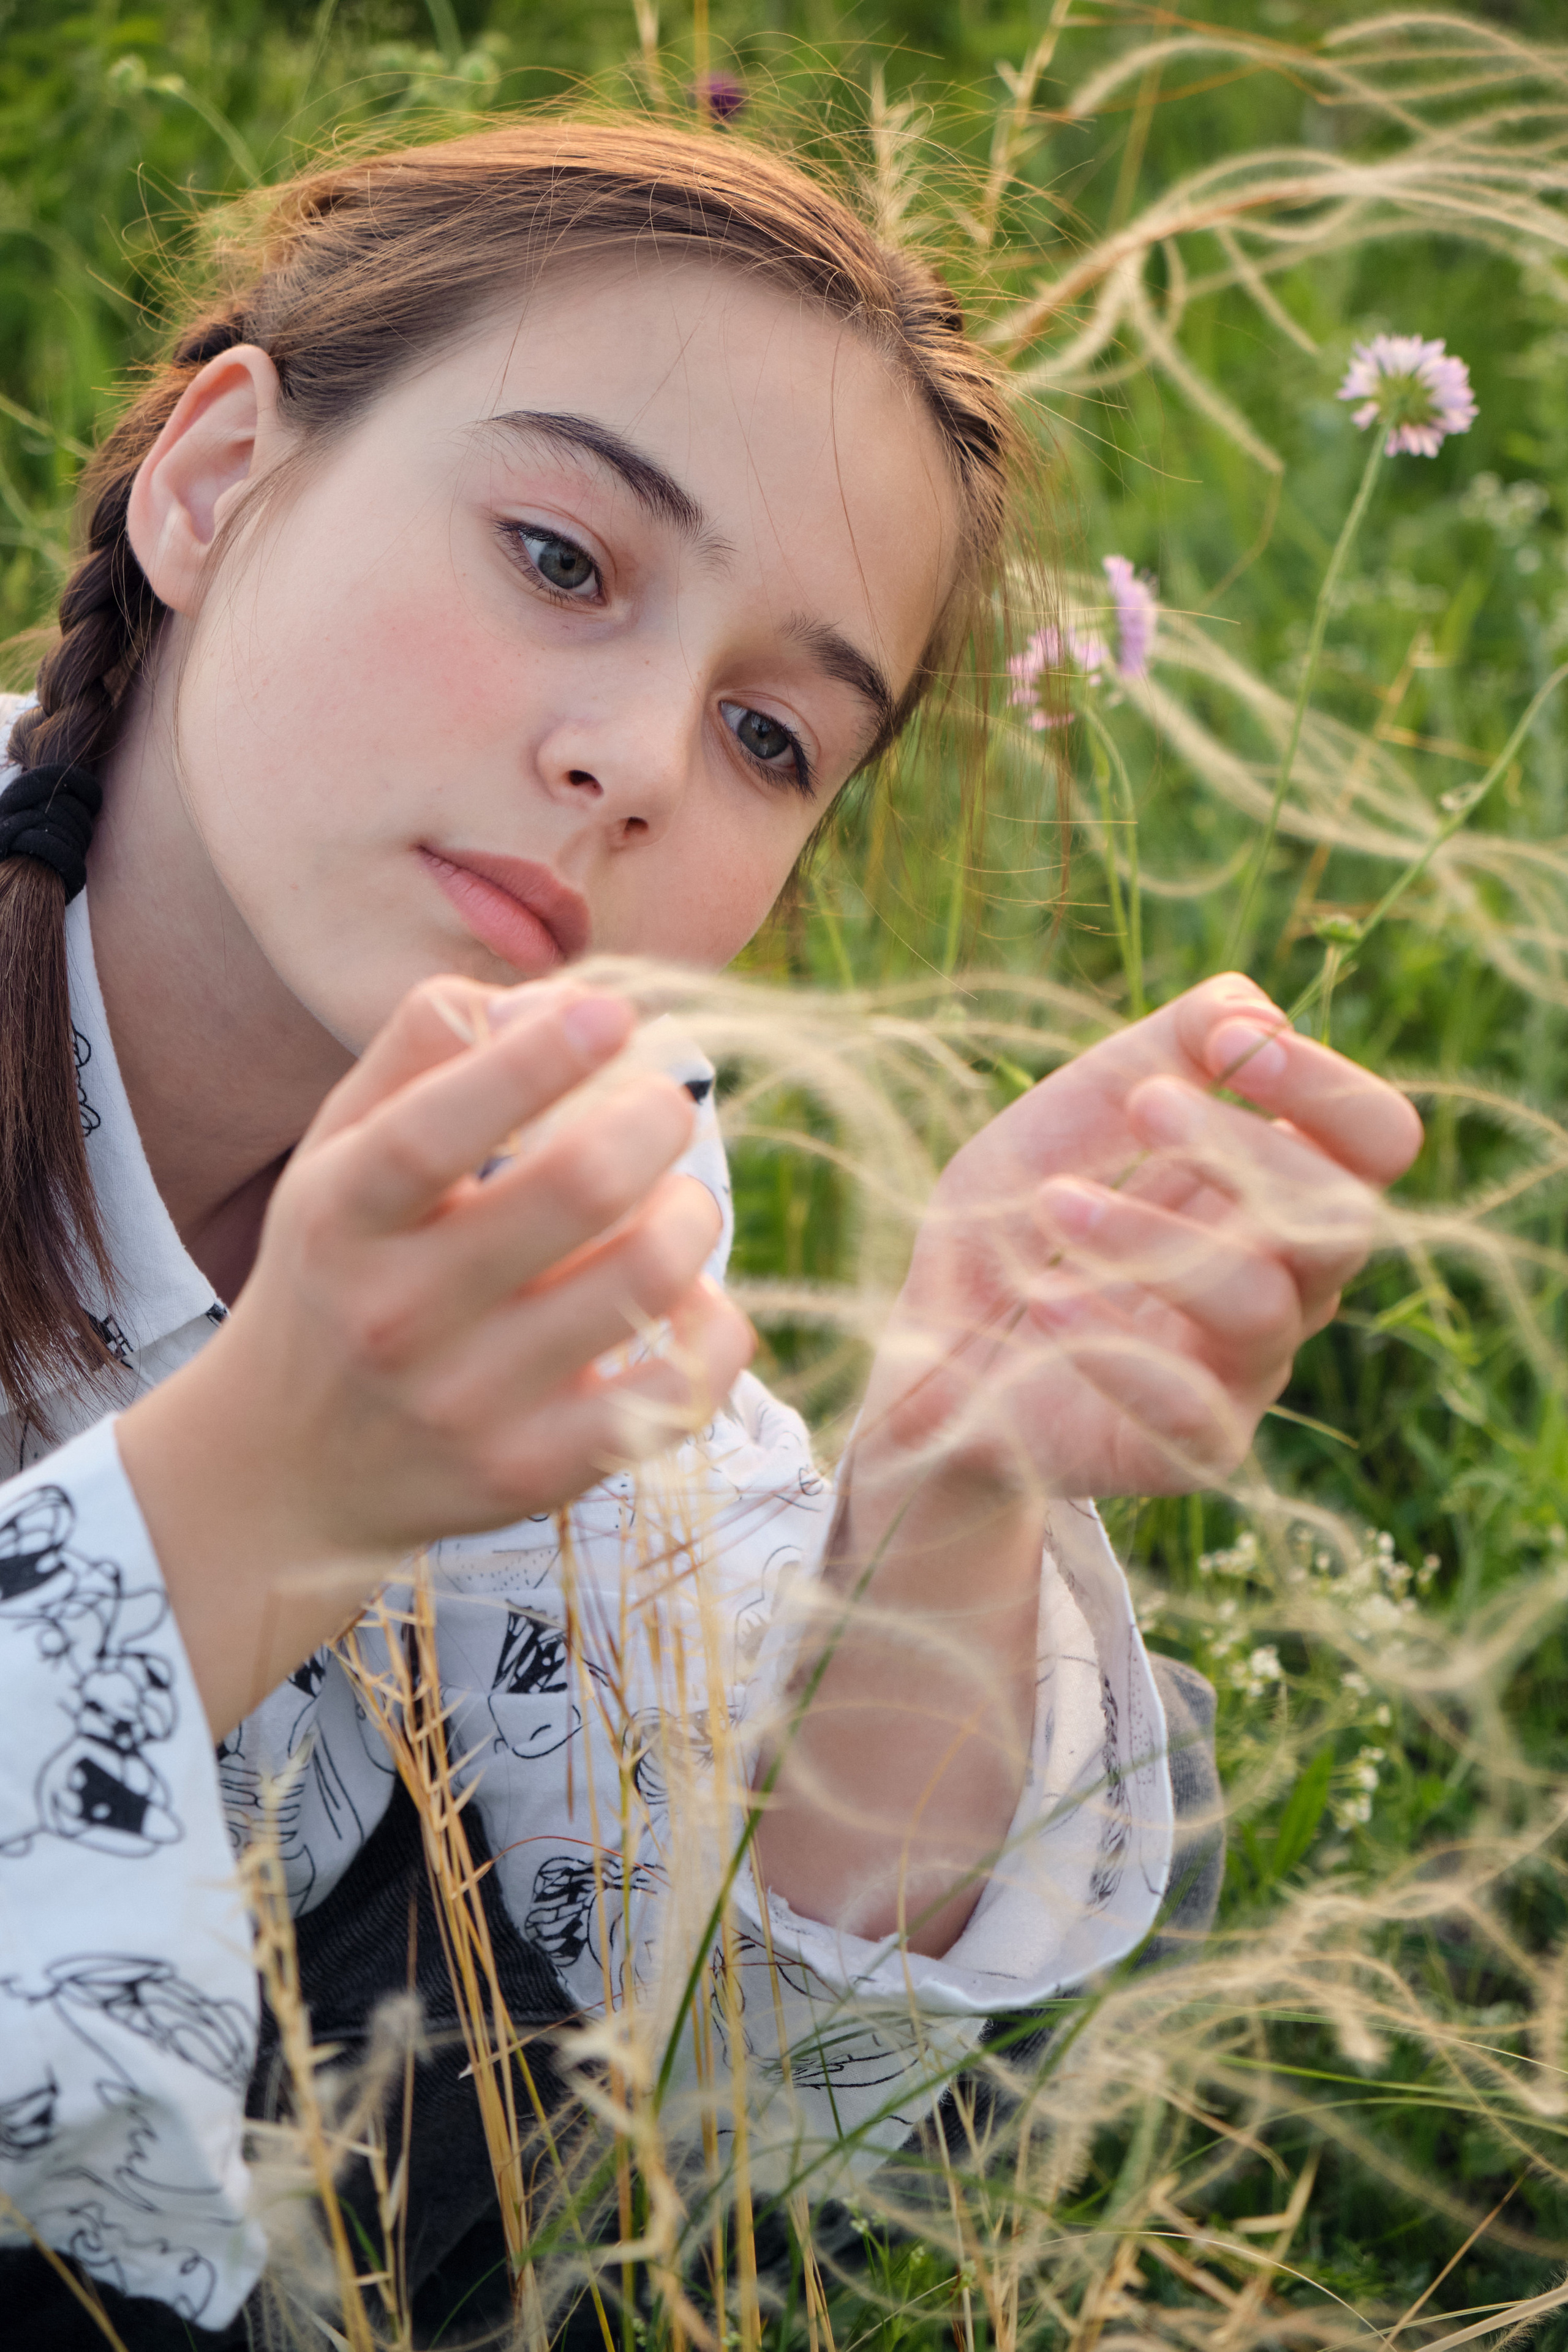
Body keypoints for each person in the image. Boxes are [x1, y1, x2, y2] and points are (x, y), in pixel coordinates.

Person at [0, 116, 1422, 2345]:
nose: (642, 753)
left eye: (773, 735)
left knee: (1053, 1750)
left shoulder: (583, 1198)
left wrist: (952, 1481)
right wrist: (260, 1490)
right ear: (215, 483)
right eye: (561, 558)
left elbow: (751, 2117)